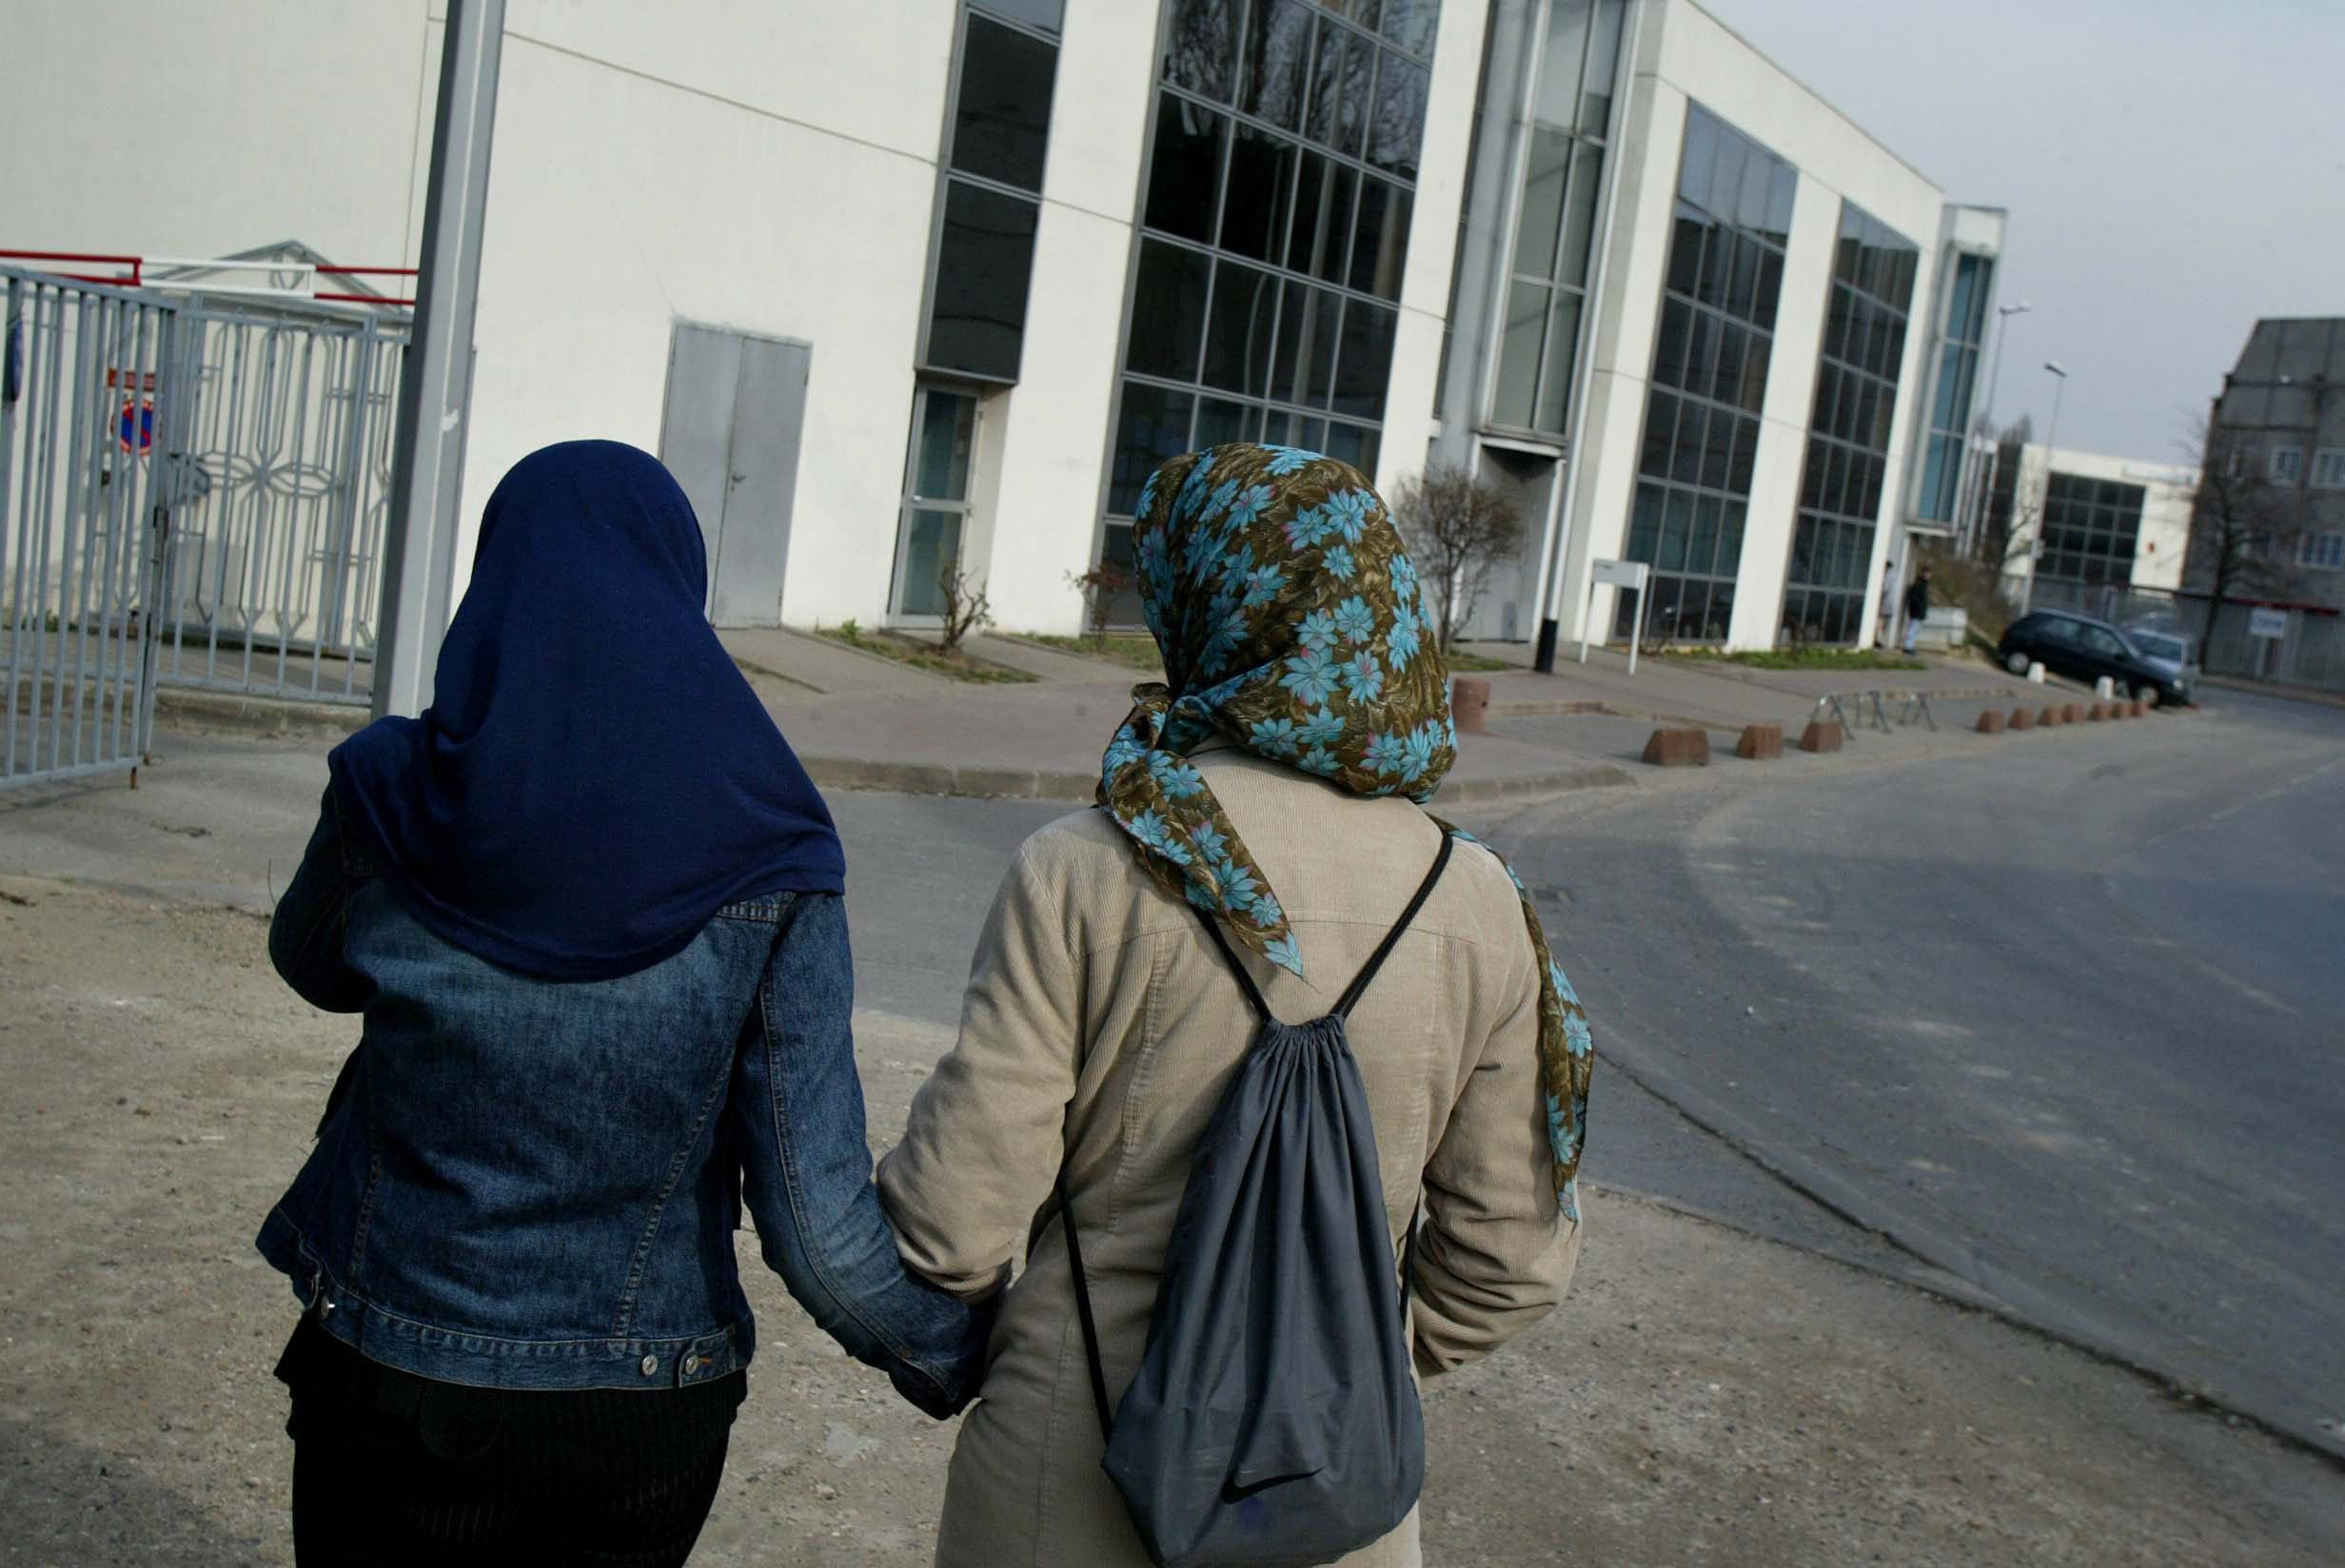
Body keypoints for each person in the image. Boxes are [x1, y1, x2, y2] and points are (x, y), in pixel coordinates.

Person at [256, 441, 989, 1566]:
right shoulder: (773, 845)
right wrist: (968, 1355)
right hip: (637, 1408)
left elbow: (312, 964)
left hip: (386, 1374)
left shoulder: (390, 791)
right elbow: (819, 1227)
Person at [878, 443, 1590, 1568]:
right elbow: (1506, 1261)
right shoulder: (1477, 899)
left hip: (1067, 1474)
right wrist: (1326, 1364)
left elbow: (950, 1223)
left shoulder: (1082, 867)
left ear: (1201, 597)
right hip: (1332, 1498)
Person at [1903, 562, 1934, 654]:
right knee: (1912, 628)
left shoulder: (1923, 584)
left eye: (1929, 574)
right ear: (1923, 573)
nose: (1928, 576)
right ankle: (1908, 647)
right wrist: (1919, 607)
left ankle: (1910, 646)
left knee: (1915, 629)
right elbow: (1914, 598)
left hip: (1919, 611)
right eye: (1927, 573)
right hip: (1916, 611)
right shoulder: (1919, 584)